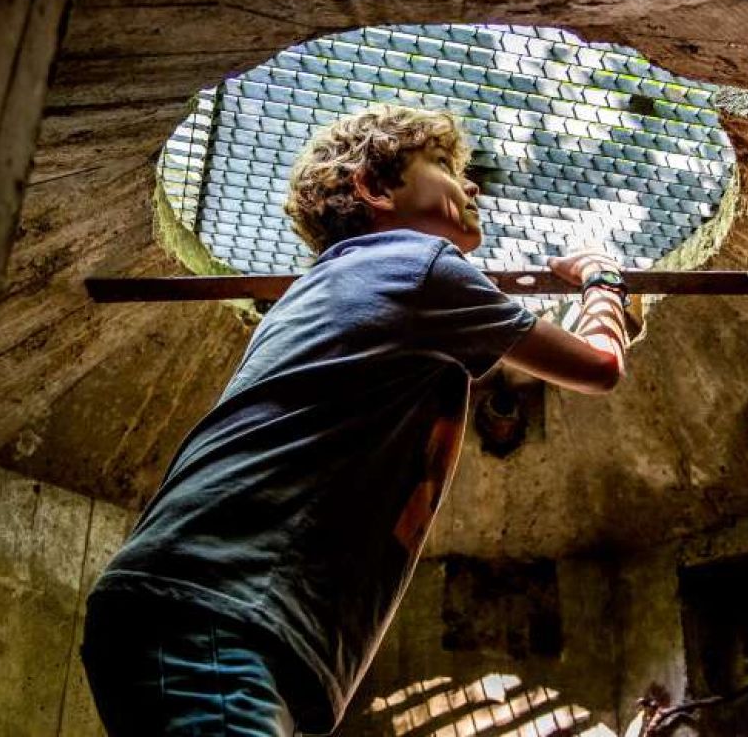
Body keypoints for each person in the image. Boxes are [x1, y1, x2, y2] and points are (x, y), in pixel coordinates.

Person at [81, 104, 633, 735]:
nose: (473, 185)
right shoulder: (418, 264)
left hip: (194, 613)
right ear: (373, 188)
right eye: (446, 168)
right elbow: (597, 366)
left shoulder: (333, 285)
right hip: (221, 616)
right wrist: (603, 282)